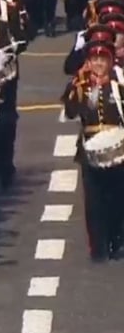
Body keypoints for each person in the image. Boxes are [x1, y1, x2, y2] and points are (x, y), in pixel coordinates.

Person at [59, 41, 124, 260]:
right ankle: (98, 246)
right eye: (94, 59)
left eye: (103, 60)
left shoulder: (119, 84)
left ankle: (116, 237)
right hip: (90, 149)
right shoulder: (81, 86)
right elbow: (70, 112)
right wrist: (77, 84)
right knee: (94, 201)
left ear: (110, 62)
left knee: (117, 197)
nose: (98, 64)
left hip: (119, 151)